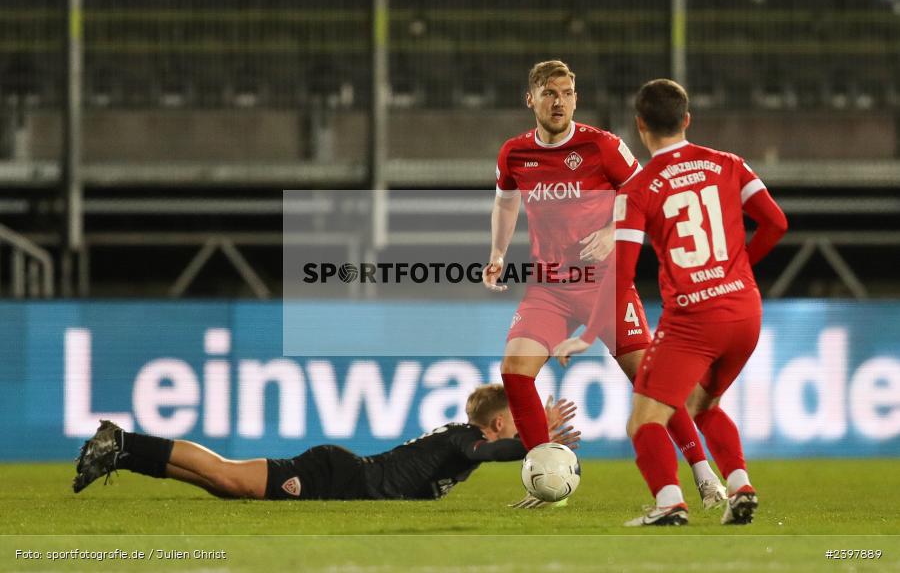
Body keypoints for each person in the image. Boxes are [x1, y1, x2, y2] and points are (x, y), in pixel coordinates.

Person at [485, 60, 726, 508]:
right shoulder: (514, 153)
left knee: (653, 386)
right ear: (530, 98)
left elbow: (647, 194)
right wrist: (498, 253)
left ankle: (705, 475)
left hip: (605, 284)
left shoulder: (602, 146)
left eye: (568, 93)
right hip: (550, 285)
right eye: (550, 93)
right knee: (515, 372)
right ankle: (545, 478)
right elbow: (505, 203)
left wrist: (613, 231)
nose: (560, 102)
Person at [555, 79, 788, 526]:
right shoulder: (729, 164)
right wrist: (737, 269)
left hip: (693, 320)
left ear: (639, 124)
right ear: (687, 119)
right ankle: (739, 486)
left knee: (643, 421)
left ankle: (669, 502)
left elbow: (621, 273)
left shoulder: (638, 190)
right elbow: (776, 223)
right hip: (745, 312)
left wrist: (587, 333)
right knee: (704, 405)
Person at [72, 385, 580, 502]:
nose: (522, 428)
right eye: (518, 422)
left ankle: (121, 455)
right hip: (339, 475)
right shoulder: (468, 439)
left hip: (346, 474)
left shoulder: (464, 438)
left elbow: (489, 458)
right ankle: (122, 439)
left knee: (225, 487)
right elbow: (487, 454)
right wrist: (536, 441)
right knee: (227, 475)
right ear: (494, 424)